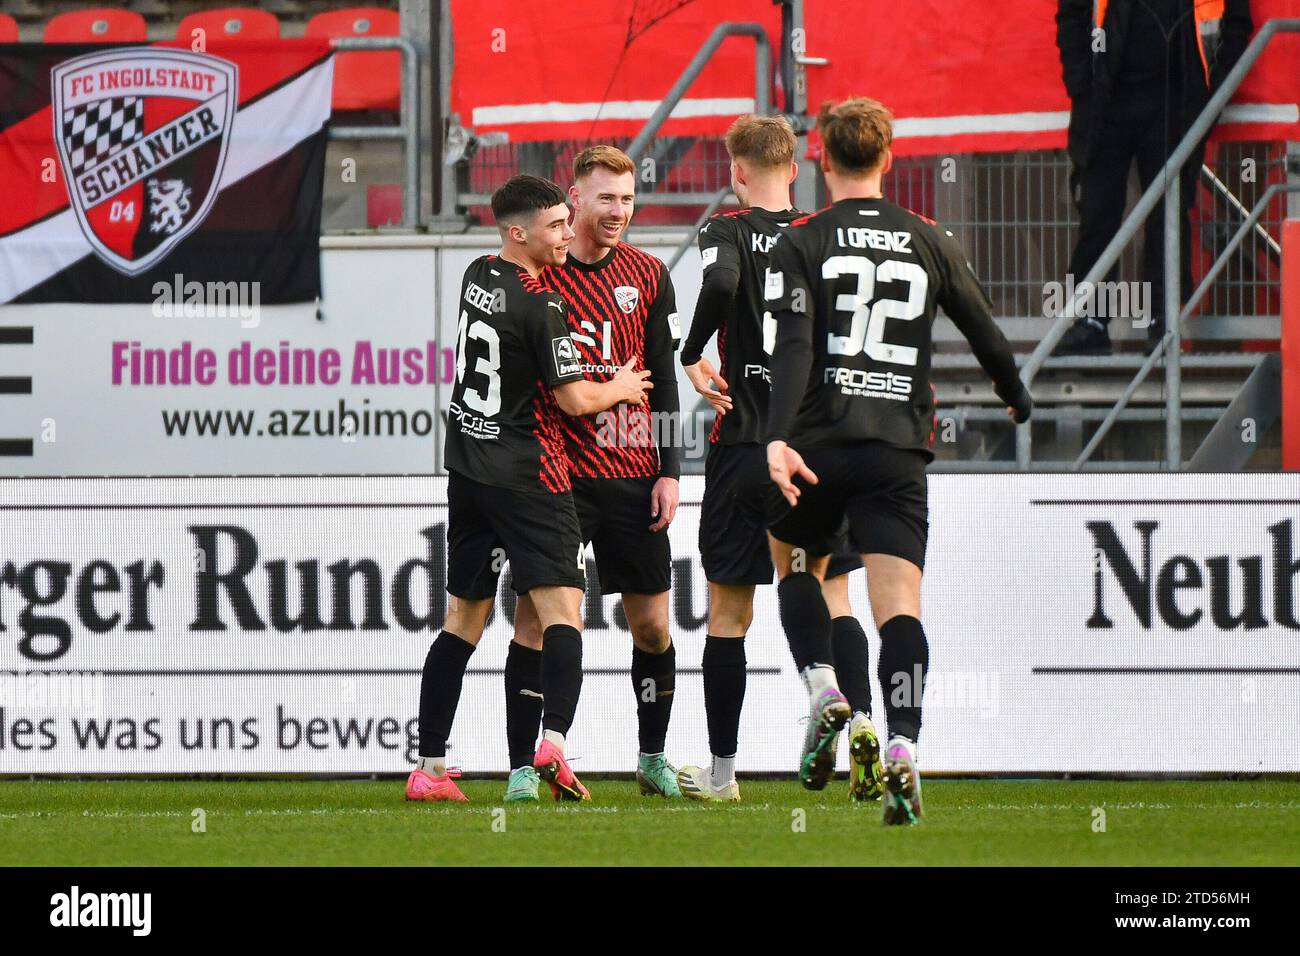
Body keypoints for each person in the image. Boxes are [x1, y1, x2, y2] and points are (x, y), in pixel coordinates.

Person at [763, 98, 1033, 825]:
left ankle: (822, 687)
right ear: (889, 159)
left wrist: (776, 436)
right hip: (896, 450)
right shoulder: (931, 239)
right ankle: (906, 744)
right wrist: (1015, 396)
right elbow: (985, 331)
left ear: (822, 160)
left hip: (817, 444)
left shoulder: (802, 241)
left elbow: (791, 348)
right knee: (898, 610)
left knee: (797, 564)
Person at [405, 175, 651, 803]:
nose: (569, 232)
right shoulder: (542, 304)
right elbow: (574, 400)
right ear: (519, 233)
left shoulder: (476, 274)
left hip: (468, 470)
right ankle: (555, 743)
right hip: (529, 473)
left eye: (570, 220)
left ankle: (428, 767)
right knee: (564, 608)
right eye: (556, 225)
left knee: (463, 618)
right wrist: (620, 388)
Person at [675, 114, 882, 803]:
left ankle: (724, 776)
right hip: (816, 445)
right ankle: (864, 734)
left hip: (742, 443)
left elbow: (720, 285)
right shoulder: (820, 235)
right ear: (793, 169)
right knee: (834, 593)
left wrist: (689, 353)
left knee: (728, 614)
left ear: (736, 174)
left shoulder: (724, 230)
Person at [503, 146, 685, 802]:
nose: (618, 212)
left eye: (628, 200)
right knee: (537, 620)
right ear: (574, 199)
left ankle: (653, 755)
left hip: (635, 473)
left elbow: (663, 378)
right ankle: (526, 764)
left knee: (654, 627)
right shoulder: (538, 278)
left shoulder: (649, 273)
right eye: (605, 198)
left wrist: (671, 471)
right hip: (556, 477)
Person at [1052, 0, 1252, 356]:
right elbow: (1072, 12)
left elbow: (1236, 24)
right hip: (1106, 101)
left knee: (1169, 218)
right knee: (1098, 216)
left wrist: (1214, 93)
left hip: (1177, 103)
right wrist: (1081, 84)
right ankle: (1089, 323)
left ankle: (1163, 324)